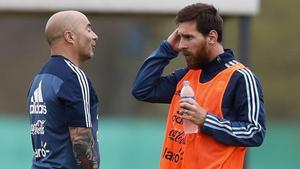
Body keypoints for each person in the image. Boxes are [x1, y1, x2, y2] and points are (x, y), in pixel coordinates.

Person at [132, 3, 266, 169]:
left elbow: (255, 132)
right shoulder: (187, 75)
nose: (181, 45)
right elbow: (142, 90)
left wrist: (206, 120)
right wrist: (167, 48)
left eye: (188, 37)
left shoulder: (240, 78)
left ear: (211, 37)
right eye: (180, 37)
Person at [27, 11, 99, 169]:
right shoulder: (74, 78)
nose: (94, 36)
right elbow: (81, 143)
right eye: (88, 29)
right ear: (70, 36)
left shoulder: (39, 79)